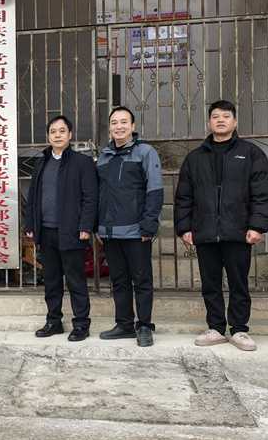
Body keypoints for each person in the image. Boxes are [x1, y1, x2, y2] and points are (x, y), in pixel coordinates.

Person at [174, 100, 268, 351]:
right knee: (210, 284)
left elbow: (263, 193)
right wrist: (184, 228)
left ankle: (239, 329)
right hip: (205, 231)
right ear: (209, 122)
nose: (220, 120)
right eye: (215, 116)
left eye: (226, 116)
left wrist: (257, 226)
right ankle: (216, 328)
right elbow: (184, 196)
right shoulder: (195, 158)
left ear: (235, 121)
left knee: (239, 282)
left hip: (238, 231)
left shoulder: (250, 153)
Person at [24, 116, 98, 342]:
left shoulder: (82, 163)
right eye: (53, 131)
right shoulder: (41, 162)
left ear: (70, 135)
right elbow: (33, 197)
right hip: (46, 232)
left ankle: (81, 324)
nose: (57, 135)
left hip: (72, 232)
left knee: (76, 280)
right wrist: (30, 225)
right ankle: (54, 321)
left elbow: (90, 197)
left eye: (62, 131)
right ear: (48, 136)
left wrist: (86, 226)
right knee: (52, 280)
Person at [96, 106, 164, 347]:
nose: (119, 126)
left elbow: (155, 190)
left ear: (133, 126)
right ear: (110, 127)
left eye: (124, 122)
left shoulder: (146, 152)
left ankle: (144, 325)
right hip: (110, 232)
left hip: (136, 231)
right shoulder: (104, 156)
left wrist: (149, 225)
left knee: (142, 280)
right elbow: (98, 194)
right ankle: (124, 324)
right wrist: (98, 227)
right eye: (114, 122)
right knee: (119, 281)